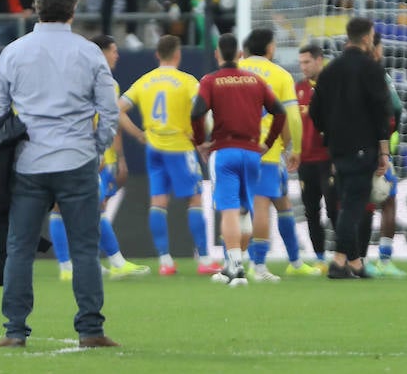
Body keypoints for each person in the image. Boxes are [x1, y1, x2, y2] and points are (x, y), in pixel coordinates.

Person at [0, 0, 121, 348]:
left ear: (35, 7)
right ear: (73, 11)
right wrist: (97, 147)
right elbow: (108, 109)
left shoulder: (14, 52)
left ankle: (15, 330)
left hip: (29, 161)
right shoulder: (89, 52)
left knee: (20, 247)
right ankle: (90, 329)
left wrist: (9, 152)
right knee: (84, 246)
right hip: (76, 159)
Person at [46, 34, 150, 281]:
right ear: (101, 53)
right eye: (113, 51)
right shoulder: (103, 81)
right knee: (87, 206)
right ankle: (113, 261)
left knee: (74, 206)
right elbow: (106, 120)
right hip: (83, 153)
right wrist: (102, 153)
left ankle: (75, 265)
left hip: (56, 148)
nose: (117, 55)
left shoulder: (67, 78)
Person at [118, 35, 220, 277]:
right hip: (179, 147)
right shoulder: (186, 81)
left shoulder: (145, 80)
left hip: (154, 147)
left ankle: (165, 261)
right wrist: (205, 139)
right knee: (194, 200)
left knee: (158, 203)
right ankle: (204, 260)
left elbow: (117, 109)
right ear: (177, 54)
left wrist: (138, 134)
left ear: (157, 55)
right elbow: (202, 111)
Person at [191, 32, 287, 287]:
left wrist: (200, 141)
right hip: (252, 153)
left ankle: (235, 267)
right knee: (245, 210)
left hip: (225, 150)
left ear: (217, 54)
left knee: (229, 209)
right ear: (240, 55)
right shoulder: (255, 80)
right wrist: (267, 143)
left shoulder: (210, 81)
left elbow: (197, 111)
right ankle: (235, 263)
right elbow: (280, 112)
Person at [308, 16, 391, 279]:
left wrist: (329, 132)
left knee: (348, 201)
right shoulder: (371, 68)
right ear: (367, 38)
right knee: (353, 205)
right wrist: (384, 151)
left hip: (336, 147)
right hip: (363, 146)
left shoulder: (330, 70)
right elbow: (382, 112)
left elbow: (314, 110)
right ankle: (338, 261)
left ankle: (353, 263)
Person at [239, 28, 319, 280]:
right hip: (265, 149)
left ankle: (294, 261)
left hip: (234, 147)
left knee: (281, 202)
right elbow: (291, 117)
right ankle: (258, 265)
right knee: (261, 205)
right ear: (271, 48)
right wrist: (294, 147)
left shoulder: (232, 71)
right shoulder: (279, 75)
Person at [294, 43, 337, 269]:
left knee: (333, 208)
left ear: (319, 60)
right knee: (311, 211)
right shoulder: (297, 88)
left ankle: (345, 256)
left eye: (307, 62)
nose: (303, 67)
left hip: (327, 159)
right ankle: (320, 258)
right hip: (305, 160)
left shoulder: (332, 86)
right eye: (301, 62)